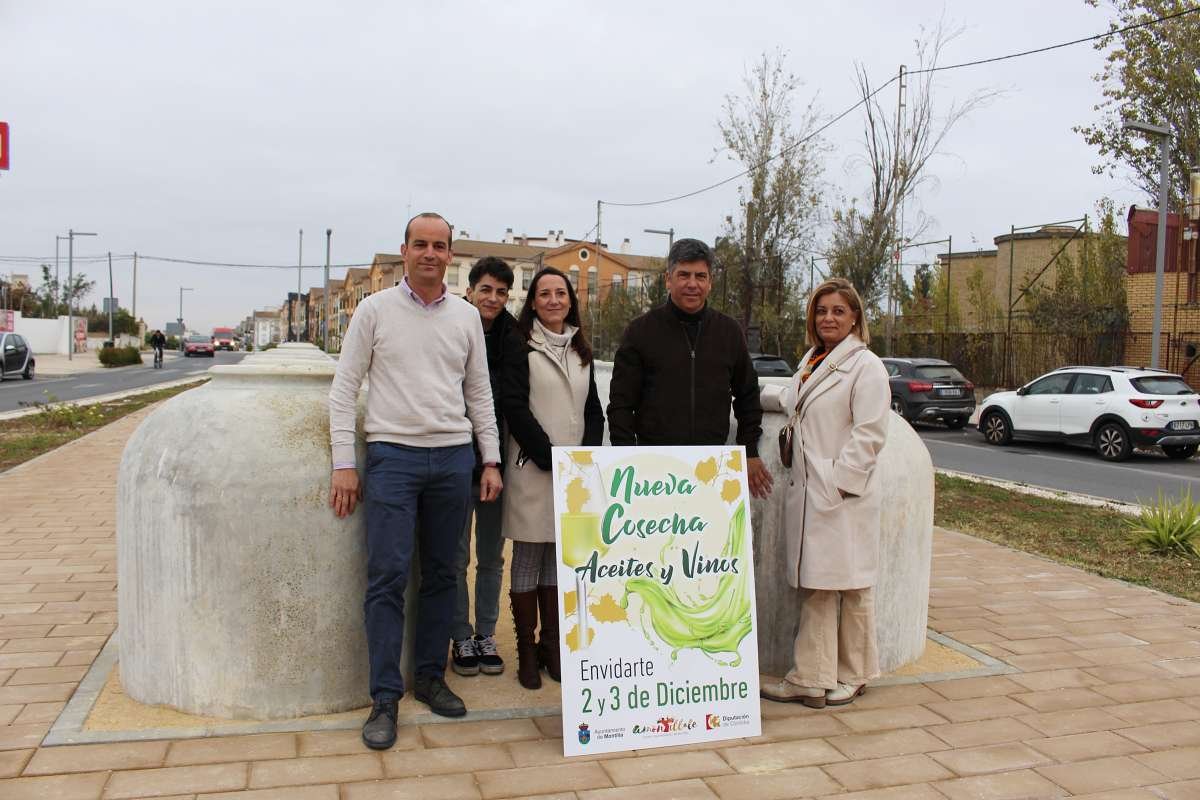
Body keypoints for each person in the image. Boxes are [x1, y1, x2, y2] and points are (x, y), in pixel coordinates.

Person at [328, 212, 503, 750]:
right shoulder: (374, 310)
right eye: (420, 244)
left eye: (440, 246)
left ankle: (429, 677)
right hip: (393, 459)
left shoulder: (466, 317)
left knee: (445, 573)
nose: (430, 253)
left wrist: (490, 460)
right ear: (403, 250)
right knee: (386, 575)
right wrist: (344, 462)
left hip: (453, 459)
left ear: (451, 256)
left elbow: (479, 394)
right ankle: (385, 696)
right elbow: (344, 389)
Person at [759, 277, 890, 709]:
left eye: (838, 311)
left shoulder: (866, 366)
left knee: (852, 584)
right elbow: (796, 398)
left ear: (855, 318)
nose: (828, 318)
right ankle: (812, 678)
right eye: (821, 310)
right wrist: (752, 394)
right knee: (819, 584)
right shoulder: (814, 359)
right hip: (813, 491)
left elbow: (870, 433)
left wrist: (839, 483)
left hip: (841, 496)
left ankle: (853, 675)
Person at [500, 267, 603, 690]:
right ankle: (526, 649)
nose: (554, 300)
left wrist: (586, 454)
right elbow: (514, 405)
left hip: (572, 471)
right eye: (545, 294)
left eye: (561, 293)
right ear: (534, 302)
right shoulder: (520, 345)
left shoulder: (582, 349)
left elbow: (593, 406)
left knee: (558, 557)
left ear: (570, 300)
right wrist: (549, 455)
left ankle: (551, 647)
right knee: (529, 555)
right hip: (534, 466)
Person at [607, 237, 772, 499]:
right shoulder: (640, 332)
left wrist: (749, 451)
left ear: (710, 282)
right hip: (653, 470)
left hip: (712, 468)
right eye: (683, 275)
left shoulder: (729, 332)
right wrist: (629, 456)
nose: (692, 284)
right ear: (668, 279)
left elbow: (748, 396)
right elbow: (621, 405)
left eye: (700, 276)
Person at [450, 256, 516, 678]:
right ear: (470, 290)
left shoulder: (516, 338)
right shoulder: (452, 326)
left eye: (501, 291)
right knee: (456, 558)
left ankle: (486, 634)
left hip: (498, 465)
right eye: (485, 289)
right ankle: (460, 635)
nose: (492, 298)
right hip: (455, 461)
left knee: (492, 557)